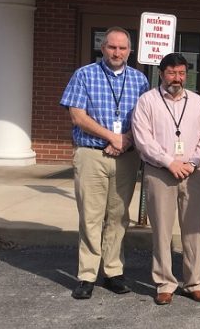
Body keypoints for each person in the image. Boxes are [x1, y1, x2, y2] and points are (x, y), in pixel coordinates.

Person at [60, 26, 149, 299]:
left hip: (126, 156)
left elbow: (145, 120)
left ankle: (113, 272)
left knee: (119, 215)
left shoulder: (140, 80)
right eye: (112, 47)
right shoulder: (84, 75)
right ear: (103, 47)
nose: (117, 52)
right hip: (92, 154)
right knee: (90, 216)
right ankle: (87, 275)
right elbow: (78, 116)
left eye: (122, 48)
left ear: (130, 51)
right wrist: (113, 136)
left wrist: (126, 140)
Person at [131, 53, 200, 305]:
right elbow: (143, 139)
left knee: (193, 230)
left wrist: (192, 162)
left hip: (192, 173)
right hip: (159, 173)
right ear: (161, 73)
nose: (177, 78)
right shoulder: (147, 101)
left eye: (181, 73)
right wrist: (170, 162)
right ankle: (164, 283)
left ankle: (194, 283)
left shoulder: (197, 102)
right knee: (162, 231)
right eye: (171, 73)